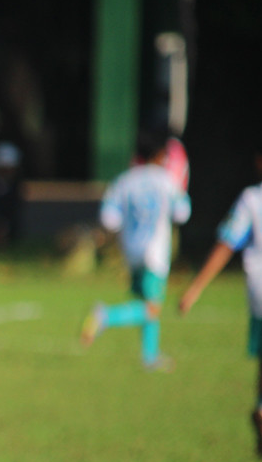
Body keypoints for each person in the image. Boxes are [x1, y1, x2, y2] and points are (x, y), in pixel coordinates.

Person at [179, 128, 262, 461]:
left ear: (261, 162)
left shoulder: (253, 199)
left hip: (261, 294)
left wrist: (194, 289)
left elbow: (226, 244)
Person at [80, 128, 191, 370]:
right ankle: (104, 316)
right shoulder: (167, 181)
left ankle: (149, 356)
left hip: (131, 251)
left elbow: (109, 219)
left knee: (146, 302)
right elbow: (183, 213)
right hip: (155, 252)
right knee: (152, 307)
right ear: (162, 154)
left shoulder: (125, 181)